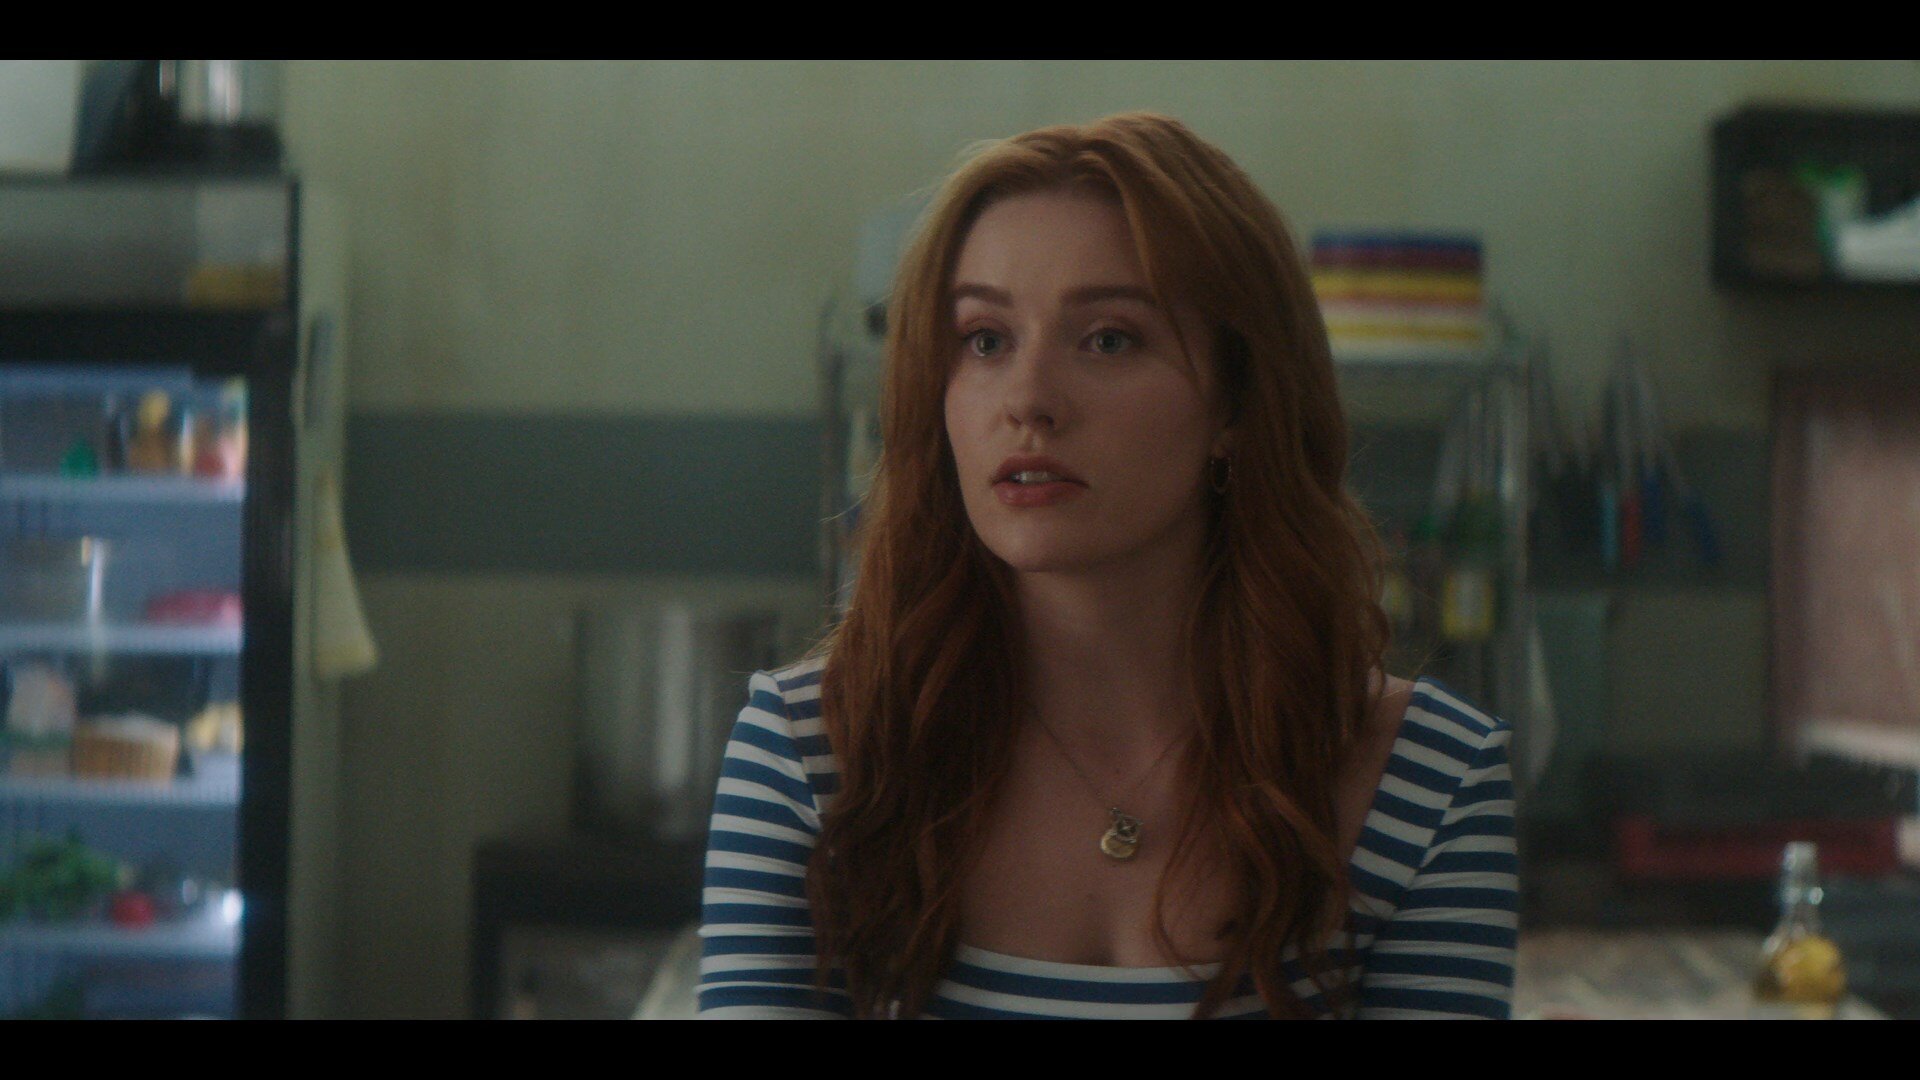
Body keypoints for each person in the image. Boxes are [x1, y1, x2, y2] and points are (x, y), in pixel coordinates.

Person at [697, 113, 1516, 1019]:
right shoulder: (814, 760)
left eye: (1109, 339)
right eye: (984, 339)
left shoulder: (1426, 780)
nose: (1028, 401)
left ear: (1238, 402)